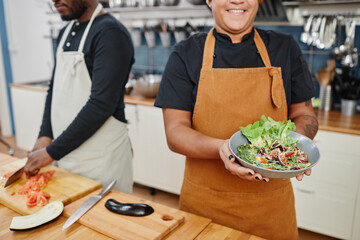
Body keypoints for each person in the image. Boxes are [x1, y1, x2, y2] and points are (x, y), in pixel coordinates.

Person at [154, 0, 319, 239]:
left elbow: (305, 116)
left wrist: (291, 150)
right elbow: (175, 133)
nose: (237, 0)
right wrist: (225, 148)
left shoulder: (285, 48)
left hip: (271, 210)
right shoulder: (185, 54)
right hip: (205, 207)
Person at [24, 0, 134, 193]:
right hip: (67, 155)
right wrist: (45, 134)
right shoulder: (64, 32)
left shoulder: (111, 33)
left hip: (101, 161)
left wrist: (51, 152)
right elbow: (54, 89)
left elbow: (101, 105)